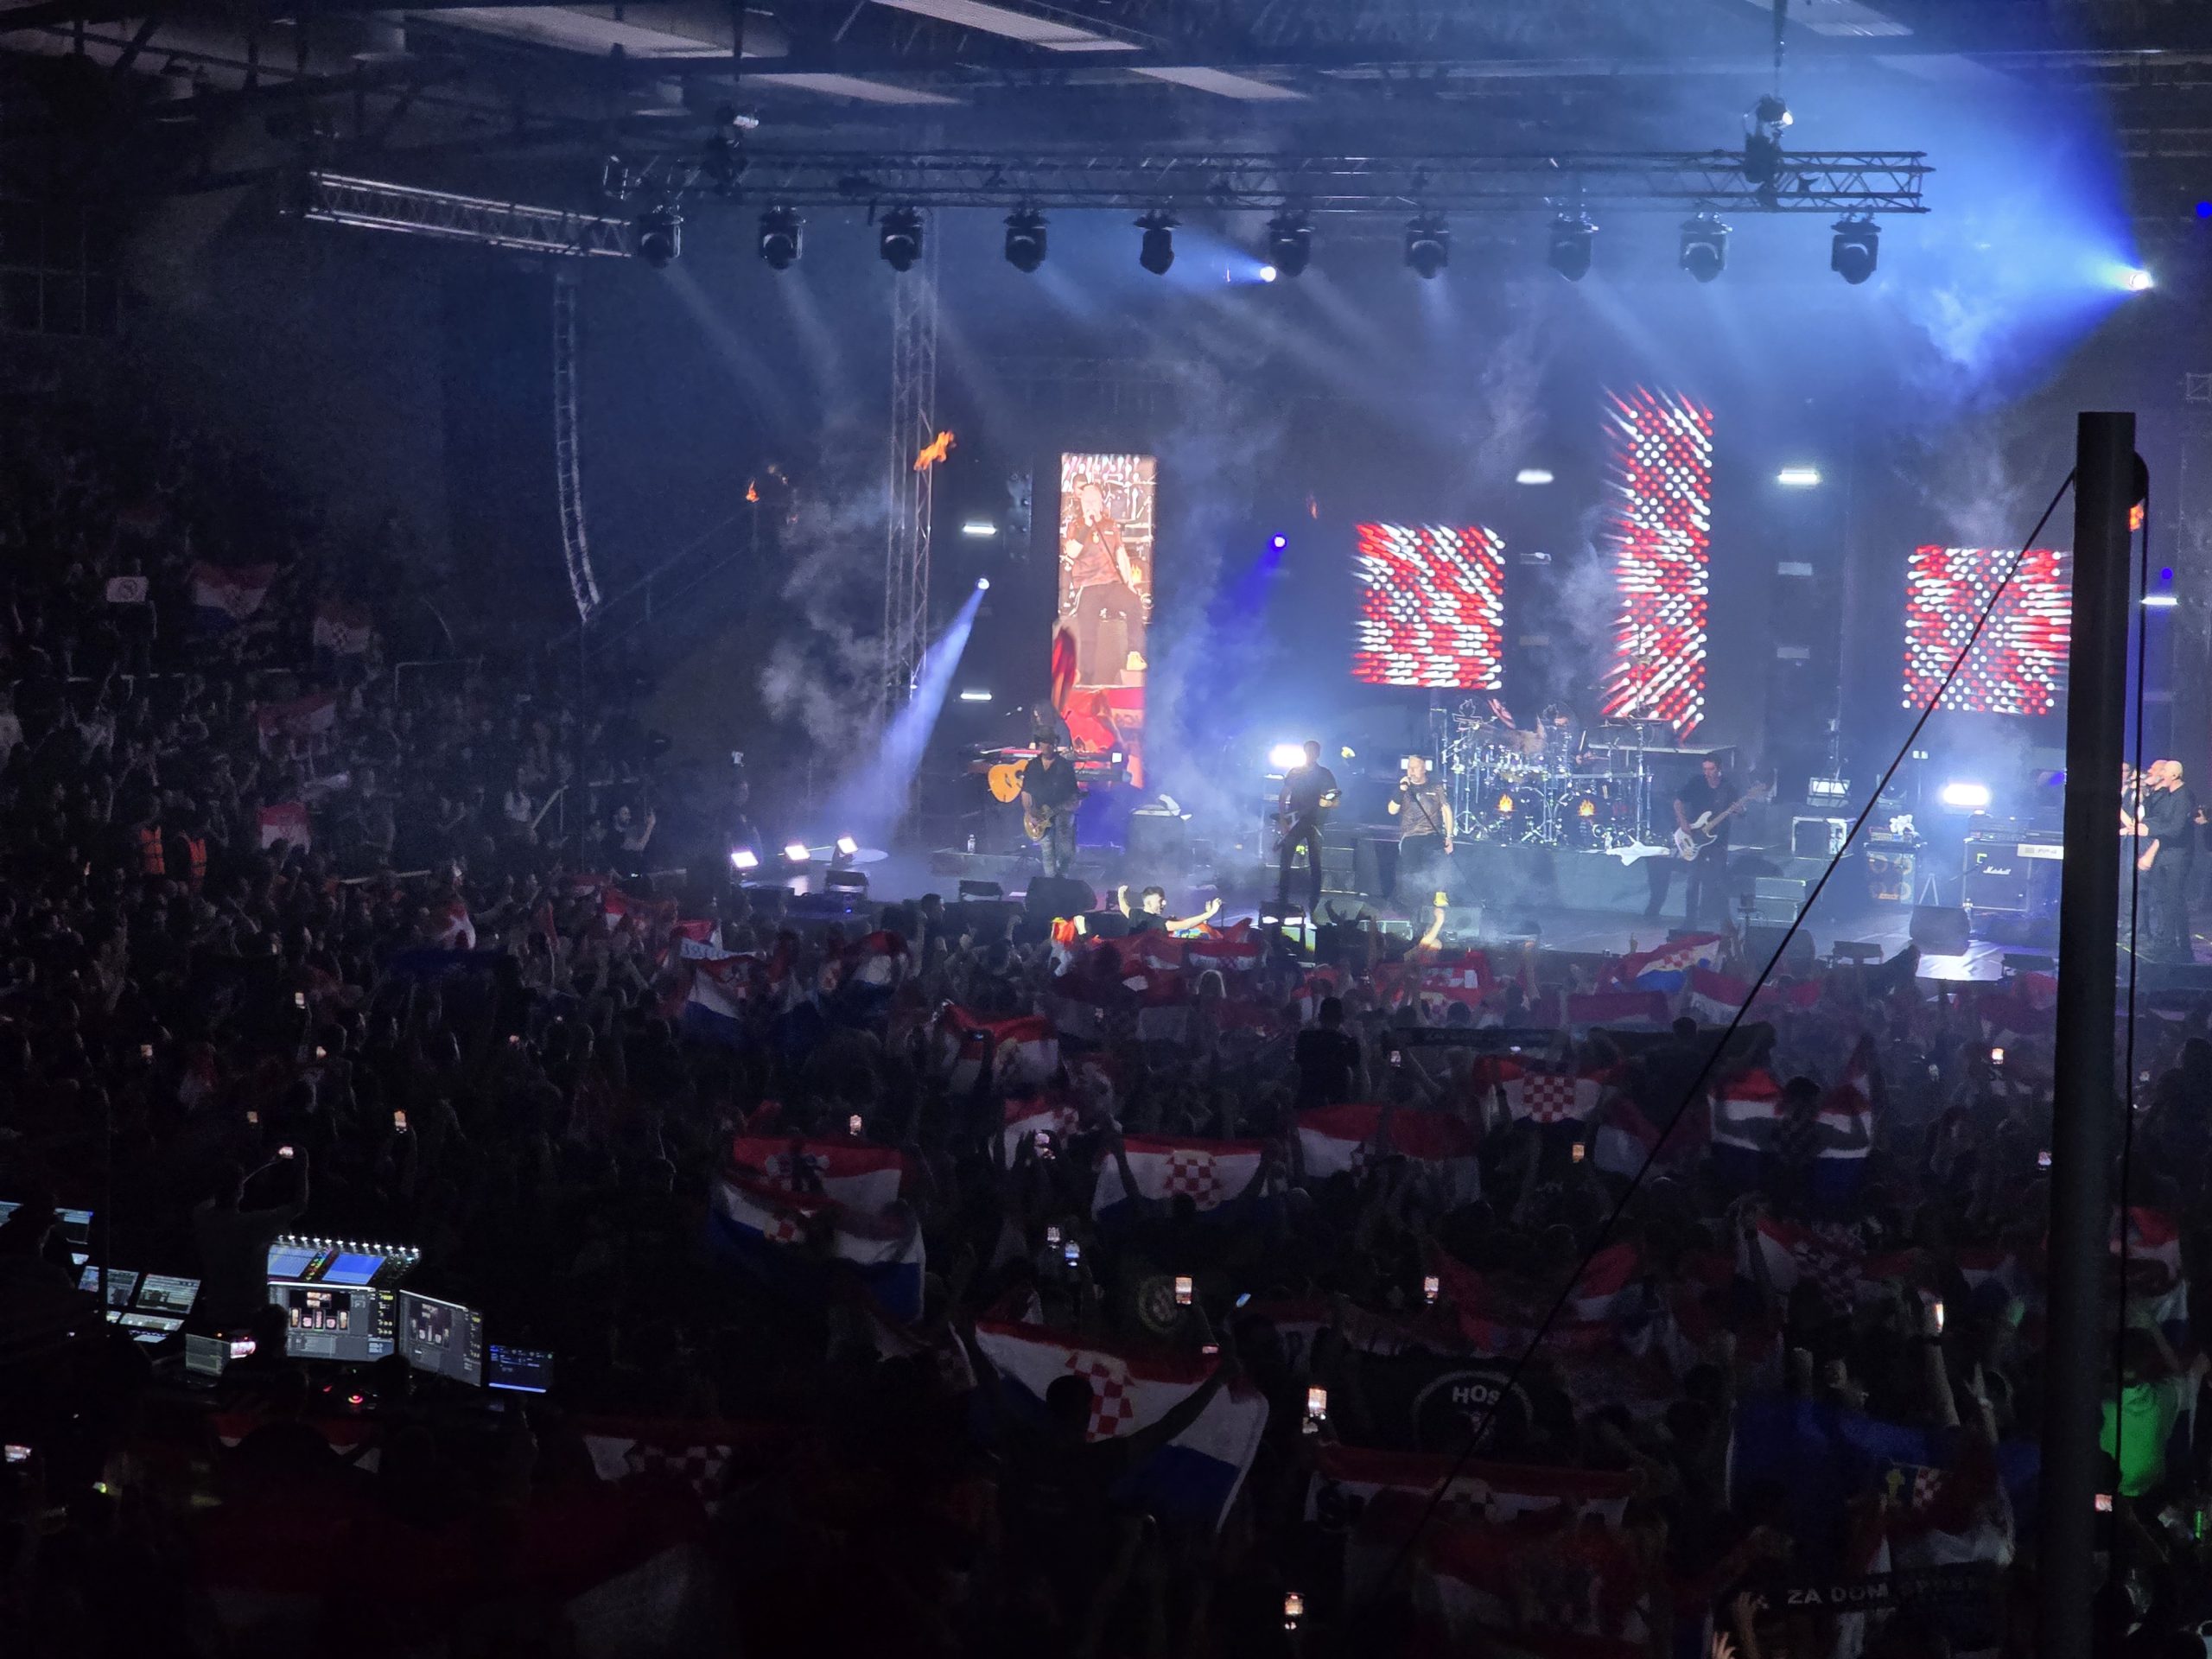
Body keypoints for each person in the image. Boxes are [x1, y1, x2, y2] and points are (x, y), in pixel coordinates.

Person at [1060, 477, 1147, 687]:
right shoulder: (1076, 525)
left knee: (1134, 603)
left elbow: (1120, 554)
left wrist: (1129, 583)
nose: (1089, 505)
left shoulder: (1110, 525)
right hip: (1087, 586)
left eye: (1093, 501)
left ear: (1100, 503)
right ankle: (1086, 677)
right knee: (1088, 633)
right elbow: (1072, 552)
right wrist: (1087, 526)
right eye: (1086, 501)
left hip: (1111, 584)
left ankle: (1134, 654)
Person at [1646, 755, 1739, 926]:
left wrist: (1739, 811)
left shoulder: (1728, 787)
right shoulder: (1697, 783)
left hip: (1718, 840)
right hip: (1695, 835)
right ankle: (1690, 921)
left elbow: (1738, 812)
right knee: (1693, 881)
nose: (1707, 773)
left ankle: (1724, 922)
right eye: (1705, 769)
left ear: (1719, 769)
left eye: (1711, 769)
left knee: (1720, 879)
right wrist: (1682, 822)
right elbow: (1678, 802)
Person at [2133, 758, 2196, 961]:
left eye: (2164, 772)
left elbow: (2176, 829)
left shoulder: (2184, 796)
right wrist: (2144, 823)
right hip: (2165, 853)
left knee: (2173, 900)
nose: (2161, 775)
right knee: (2162, 898)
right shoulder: (2168, 795)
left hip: (2178, 856)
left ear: (2175, 775)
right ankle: (2165, 942)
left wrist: (2149, 830)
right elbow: (2159, 818)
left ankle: (2177, 946)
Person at [1275, 739, 1338, 920]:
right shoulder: (1295, 772)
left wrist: (1328, 803)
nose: (1310, 754)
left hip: (1315, 823)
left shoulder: (1325, 774)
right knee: (1285, 860)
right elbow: (1283, 795)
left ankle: (1314, 901)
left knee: (1315, 863)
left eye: (1313, 751)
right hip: (1294, 821)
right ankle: (1282, 897)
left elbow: (1335, 801)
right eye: (1308, 751)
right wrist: (1282, 819)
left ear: (1318, 754)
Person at [1385, 753, 1452, 904]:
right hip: (1410, 836)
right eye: (1409, 767)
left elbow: (1446, 811)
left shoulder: (1436, 787)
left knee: (1438, 865)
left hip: (1432, 834)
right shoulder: (1403, 789)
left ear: (1424, 769)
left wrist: (1449, 836)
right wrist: (1401, 790)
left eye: (1415, 768)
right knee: (1412, 873)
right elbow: (1392, 810)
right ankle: (1414, 903)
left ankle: (1439, 896)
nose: (1411, 771)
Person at [1019, 733, 1080, 878]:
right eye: (1045, 742)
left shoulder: (1064, 766)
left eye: (1051, 743)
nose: (1048, 746)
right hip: (1040, 812)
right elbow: (1026, 792)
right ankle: (1050, 881)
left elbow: (1074, 794)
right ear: (1039, 744)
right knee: (1047, 849)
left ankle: (1063, 875)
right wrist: (1030, 812)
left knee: (1064, 846)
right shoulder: (1033, 766)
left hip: (1062, 811)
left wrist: (1073, 804)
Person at [1294, 995, 1363, 1108]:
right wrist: (1356, 1038)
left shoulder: (1304, 1038)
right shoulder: (1349, 1043)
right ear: (1342, 1019)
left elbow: (1298, 1060)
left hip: (1307, 1102)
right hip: (1336, 1105)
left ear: (1320, 1017)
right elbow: (1357, 1066)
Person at [1116, 884, 1221, 935]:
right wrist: (1211, 912)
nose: (1164, 903)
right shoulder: (1157, 922)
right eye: (1160, 901)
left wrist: (1121, 893)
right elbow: (1186, 924)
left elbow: (1124, 907)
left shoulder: (1134, 913)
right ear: (1148, 903)